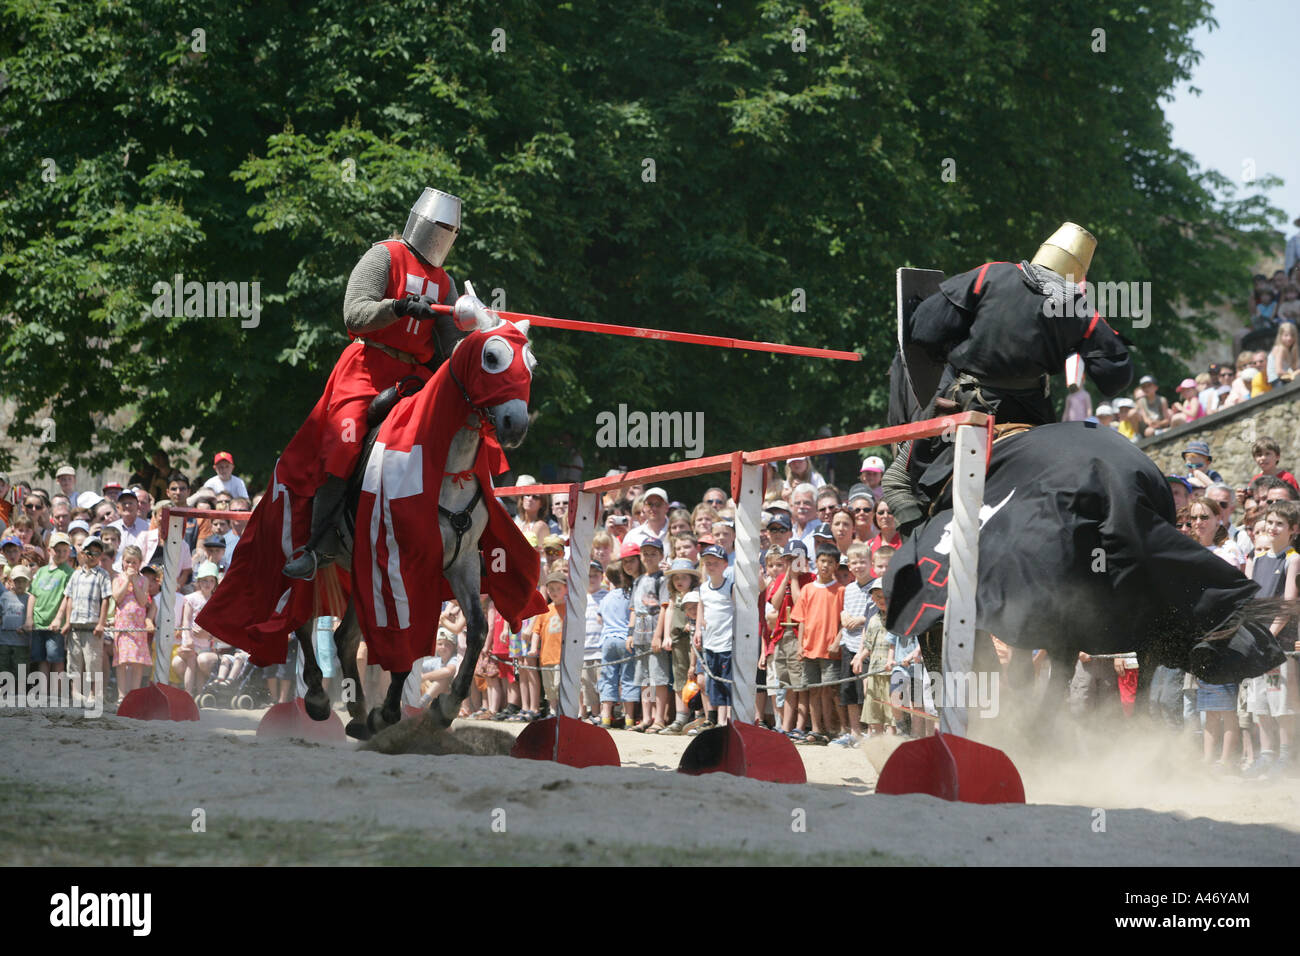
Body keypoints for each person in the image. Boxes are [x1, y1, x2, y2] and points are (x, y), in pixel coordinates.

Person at [884, 222, 1133, 534]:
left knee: (896, 482)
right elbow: (1115, 377)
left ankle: (919, 540)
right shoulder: (1079, 307)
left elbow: (923, 328)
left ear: (1042, 251)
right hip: (1033, 413)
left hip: (967, 405)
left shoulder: (992, 274)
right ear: (1079, 272)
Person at [281, 187, 465, 579]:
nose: (444, 233)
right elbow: (354, 313)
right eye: (441, 225)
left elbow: (452, 349)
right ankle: (318, 545)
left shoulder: (446, 282)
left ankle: (461, 536)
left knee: (457, 438)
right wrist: (397, 307)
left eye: (452, 228)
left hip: (414, 379)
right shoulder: (385, 255)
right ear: (422, 222)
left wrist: (479, 333)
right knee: (344, 443)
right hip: (365, 370)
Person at [1242, 503, 1299, 778]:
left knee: (1281, 702)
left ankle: (1286, 756)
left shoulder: (1293, 559)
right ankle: (1265, 755)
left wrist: (1268, 637)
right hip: (1256, 643)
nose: (1273, 529)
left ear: (1293, 529)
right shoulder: (1258, 559)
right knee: (1258, 704)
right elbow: (1249, 603)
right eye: (1270, 523)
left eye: (1280, 524)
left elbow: (1288, 605)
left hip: (1278, 645)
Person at [790, 547, 844, 745]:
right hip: (809, 648)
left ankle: (829, 729)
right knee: (812, 690)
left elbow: (843, 621)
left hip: (830, 649)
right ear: (816, 563)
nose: (826, 565)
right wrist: (800, 645)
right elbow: (801, 619)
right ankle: (815, 728)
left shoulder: (841, 590)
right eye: (822, 561)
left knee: (829, 690)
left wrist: (837, 641)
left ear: (836, 566)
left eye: (830, 562)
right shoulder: (807, 589)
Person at [55, 536, 112, 708]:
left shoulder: (103, 575)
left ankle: (94, 693)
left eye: (97, 552)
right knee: (74, 660)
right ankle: (75, 691)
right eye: (90, 551)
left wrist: (101, 623)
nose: (93, 555)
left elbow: (105, 599)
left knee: (93, 660)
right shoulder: (76, 575)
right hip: (75, 625)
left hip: (92, 625)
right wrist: (67, 621)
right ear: (83, 553)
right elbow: (69, 598)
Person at [834, 542, 873, 746]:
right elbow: (844, 611)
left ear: (870, 562)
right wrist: (844, 616)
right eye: (854, 563)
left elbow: (878, 614)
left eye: (862, 562)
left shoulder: (875, 586)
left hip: (867, 647)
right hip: (848, 644)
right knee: (848, 691)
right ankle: (855, 732)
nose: (858, 566)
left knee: (866, 691)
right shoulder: (848, 589)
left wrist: (860, 620)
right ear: (849, 566)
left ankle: (871, 731)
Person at [694, 544, 735, 729]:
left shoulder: (730, 587)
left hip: (726, 643)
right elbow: (701, 606)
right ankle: (717, 719)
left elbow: (737, 611)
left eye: (715, 563)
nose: (711, 566)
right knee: (713, 682)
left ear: (725, 565)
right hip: (710, 642)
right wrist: (698, 629)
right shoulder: (703, 588)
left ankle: (724, 720)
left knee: (725, 682)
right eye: (707, 563)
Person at [111, 544, 153, 699]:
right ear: (122, 561)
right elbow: (117, 598)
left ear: (140, 563)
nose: (130, 565)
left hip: (138, 627)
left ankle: (134, 694)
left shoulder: (143, 581)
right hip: (122, 626)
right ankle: (121, 694)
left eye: (134, 562)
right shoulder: (117, 579)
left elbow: (143, 601)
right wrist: (126, 580)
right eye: (128, 561)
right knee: (122, 661)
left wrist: (134, 581)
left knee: (137, 661)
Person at [0, 564, 33, 682]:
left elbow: (31, 619)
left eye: (23, 581)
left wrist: (25, 627)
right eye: (17, 581)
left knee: (20, 669)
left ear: (28, 583)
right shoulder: (4, 597)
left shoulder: (29, 598)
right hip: (4, 640)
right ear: (10, 581)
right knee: (3, 667)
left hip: (21, 641)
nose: (20, 584)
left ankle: (20, 693)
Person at [1266, 321, 1299, 386]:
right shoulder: (1280, 348)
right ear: (1280, 336)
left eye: (1292, 335)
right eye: (1286, 335)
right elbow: (1279, 371)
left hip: (1284, 379)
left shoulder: (1291, 350)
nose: (1289, 338)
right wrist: (1292, 374)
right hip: (1278, 381)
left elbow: (1294, 368)